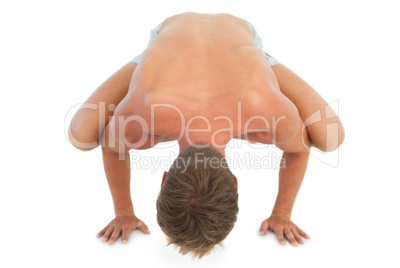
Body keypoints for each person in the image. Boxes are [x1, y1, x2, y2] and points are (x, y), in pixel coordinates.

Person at [67, 12, 345, 259]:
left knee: (334, 137)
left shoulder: (267, 113)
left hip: (206, 40)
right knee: (80, 132)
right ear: (164, 178)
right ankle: (249, 64)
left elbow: (299, 148)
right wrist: (124, 212)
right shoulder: (144, 115)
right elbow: (113, 146)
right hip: (179, 39)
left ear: (235, 182)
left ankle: (256, 64)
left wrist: (282, 214)